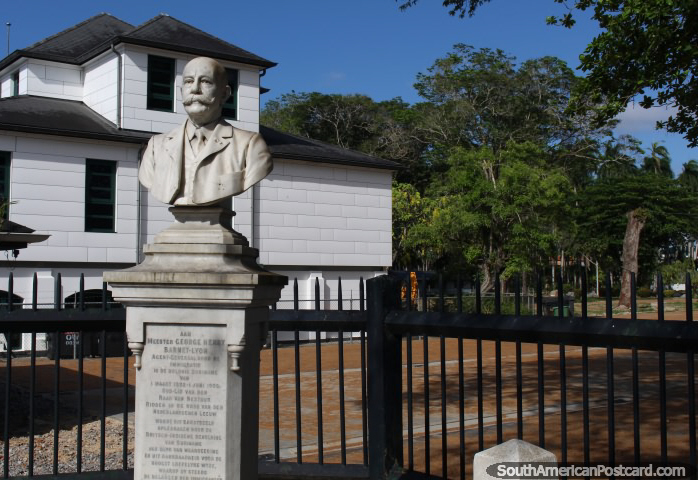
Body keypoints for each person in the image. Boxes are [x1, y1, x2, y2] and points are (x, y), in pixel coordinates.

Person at [138, 56, 272, 206]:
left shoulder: (250, 145)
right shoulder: (156, 146)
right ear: (182, 91)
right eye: (189, 81)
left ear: (224, 94)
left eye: (205, 82)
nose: (195, 89)